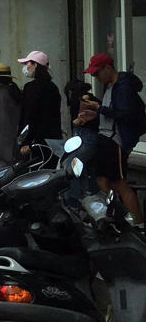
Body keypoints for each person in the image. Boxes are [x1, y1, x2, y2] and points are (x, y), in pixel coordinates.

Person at [78, 52, 146, 229]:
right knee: (102, 180)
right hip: (105, 137)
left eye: (96, 73)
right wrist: (94, 115)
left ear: (107, 68)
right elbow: (110, 113)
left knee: (119, 182)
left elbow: (125, 115)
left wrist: (99, 108)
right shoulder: (110, 86)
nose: (95, 77)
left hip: (115, 140)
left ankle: (139, 224)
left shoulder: (123, 88)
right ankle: (110, 217)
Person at [17, 50, 62, 161]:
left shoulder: (31, 88)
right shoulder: (53, 87)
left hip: (35, 144)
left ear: (35, 64)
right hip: (52, 141)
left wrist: (25, 141)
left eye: (27, 64)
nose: (25, 67)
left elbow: (29, 116)